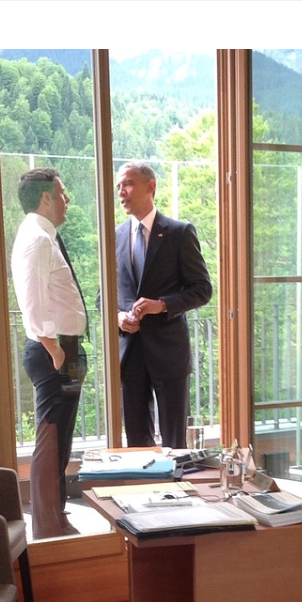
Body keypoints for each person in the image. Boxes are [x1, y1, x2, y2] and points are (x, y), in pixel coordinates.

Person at [11, 168, 87, 539]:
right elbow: (32, 299)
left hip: (65, 350)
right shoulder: (37, 239)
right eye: (62, 193)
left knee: (62, 439)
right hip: (53, 353)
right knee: (52, 439)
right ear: (45, 198)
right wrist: (53, 348)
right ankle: (48, 527)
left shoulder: (43, 235)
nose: (66, 200)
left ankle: (56, 518)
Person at [115, 161, 212, 449]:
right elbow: (103, 296)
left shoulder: (179, 233)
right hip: (130, 353)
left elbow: (203, 289)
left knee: (174, 442)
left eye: (128, 183)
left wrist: (162, 305)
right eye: (119, 186)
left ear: (151, 186)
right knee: (136, 443)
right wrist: (118, 317)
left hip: (169, 353)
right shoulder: (115, 236)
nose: (121, 192)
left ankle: (177, 481)